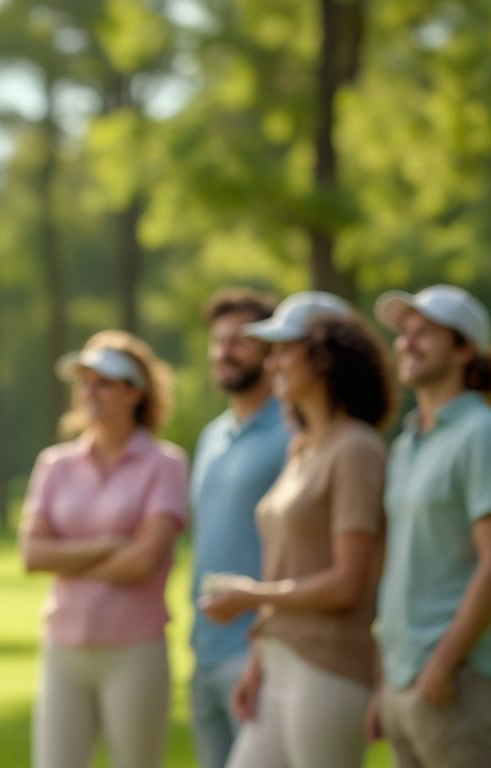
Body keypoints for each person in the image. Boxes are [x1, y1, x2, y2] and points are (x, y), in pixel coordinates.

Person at [200, 292, 393, 768]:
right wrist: (259, 660)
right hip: (280, 661)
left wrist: (252, 596)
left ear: (325, 357)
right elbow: (287, 559)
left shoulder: (355, 450)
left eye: (285, 350)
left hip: (330, 668)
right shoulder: (302, 449)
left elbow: (349, 583)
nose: (273, 364)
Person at [369, 285, 491, 768]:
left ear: (464, 349)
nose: (407, 343)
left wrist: (443, 662)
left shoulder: (484, 436)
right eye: (404, 333)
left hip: (458, 681)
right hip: (402, 681)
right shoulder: (406, 444)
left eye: (425, 334)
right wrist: (385, 679)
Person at [19, 330, 188, 768]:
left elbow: (144, 562)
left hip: (135, 650)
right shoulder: (55, 465)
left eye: (104, 382)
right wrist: (108, 545)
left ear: (135, 391)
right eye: (85, 381)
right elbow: (32, 554)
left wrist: (69, 556)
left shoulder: (165, 464)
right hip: (64, 649)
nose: (90, 392)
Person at [187, 289, 292, 768]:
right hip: (204, 652)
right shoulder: (211, 437)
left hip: (262, 652)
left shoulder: (294, 432)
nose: (225, 350)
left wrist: (265, 640)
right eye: (218, 340)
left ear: (271, 350)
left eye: (240, 340)